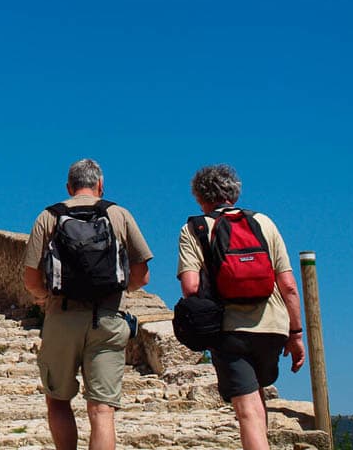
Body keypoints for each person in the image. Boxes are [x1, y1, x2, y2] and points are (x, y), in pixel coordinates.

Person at [24, 159, 153, 450]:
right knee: (102, 411)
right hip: (108, 318)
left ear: (69, 187)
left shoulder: (49, 216)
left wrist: (46, 297)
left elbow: (31, 279)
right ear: (100, 185)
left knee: (58, 401)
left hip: (62, 317)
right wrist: (119, 291)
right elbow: (142, 275)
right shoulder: (118, 214)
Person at [177, 164, 305, 450]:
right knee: (257, 398)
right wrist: (296, 334)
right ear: (234, 192)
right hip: (272, 326)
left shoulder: (195, 228)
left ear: (199, 196)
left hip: (229, 329)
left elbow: (191, 287)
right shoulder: (264, 222)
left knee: (246, 410)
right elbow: (289, 286)